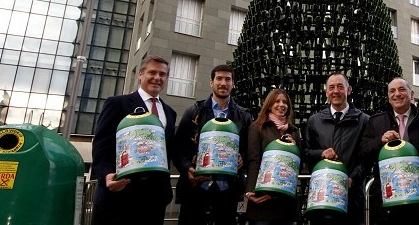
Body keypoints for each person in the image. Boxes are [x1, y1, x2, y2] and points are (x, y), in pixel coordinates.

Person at [91, 55, 177, 225]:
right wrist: (107, 175)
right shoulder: (117, 104)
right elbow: (102, 145)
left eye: (162, 74)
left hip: (154, 200)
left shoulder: (170, 112)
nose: (157, 78)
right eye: (152, 72)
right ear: (140, 74)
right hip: (119, 196)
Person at [171, 65, 253, 225]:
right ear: (211, 82)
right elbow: (177, 149)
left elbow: (251, 149)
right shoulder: (193, 112)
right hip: (195, 190)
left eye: (228, 79)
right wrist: (188, 168)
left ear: (233, 84)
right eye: (219, 78)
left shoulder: (244, 116)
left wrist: (243, 158)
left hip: (228, 191)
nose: (223, 83)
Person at [361, 77, 419, 225]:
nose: (397, 94)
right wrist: (379, 141)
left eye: (402, 89)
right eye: (392, 91)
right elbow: (363, 154)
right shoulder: (375, 122)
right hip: (385, 202)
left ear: (411, 94)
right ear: (388, 97)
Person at [304, 72, 370, 224]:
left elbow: (367, 158)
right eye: (331, 87)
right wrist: (321, 154)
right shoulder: (314, 121)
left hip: (353, 197)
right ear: (326, 91)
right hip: (322, 198)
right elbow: (306, 153)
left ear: (349, 90)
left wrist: (352, 178)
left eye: (340, 87)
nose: (335, 91)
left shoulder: (364, 120)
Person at [245, 88, 302, 225]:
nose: (281, 105)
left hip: (286, 201)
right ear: (269, 104)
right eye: (277, 101)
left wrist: (294, 149)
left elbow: (299, 163)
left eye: (285, 102)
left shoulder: (294, 131)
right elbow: (254, 159)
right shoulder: (257, 127)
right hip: (263, 200)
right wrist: (250, 190)